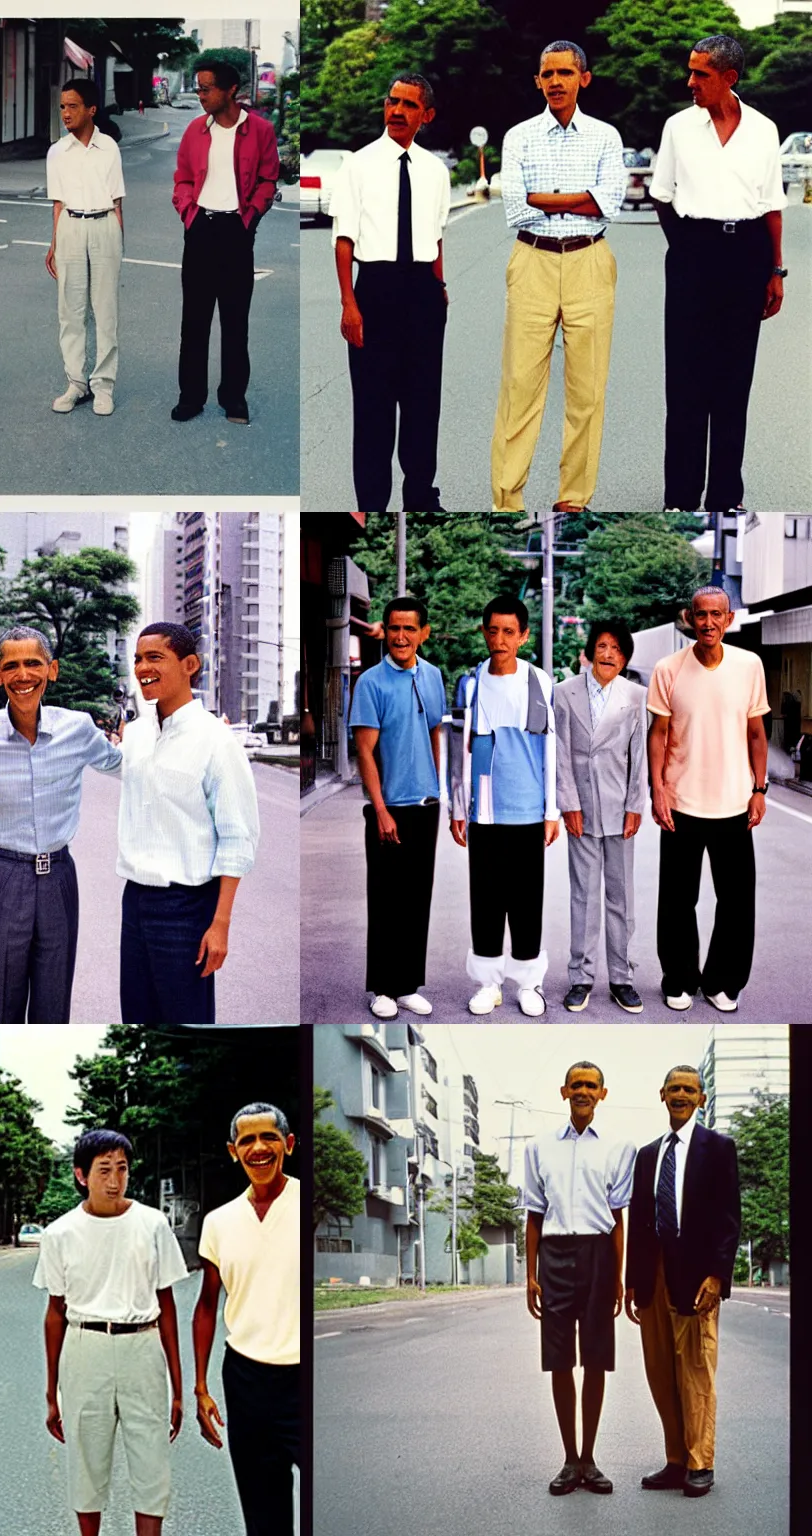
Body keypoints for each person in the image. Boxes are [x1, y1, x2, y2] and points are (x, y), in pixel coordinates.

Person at [0, 626, 121, 1022]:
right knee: (3, 1006)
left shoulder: (78, 729)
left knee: (53, 1009)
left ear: (52, 669)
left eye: (33, 663)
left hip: (60, 878)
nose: (23, 675)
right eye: (11, 666)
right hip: (4, 878)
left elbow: (124, 766)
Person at [652, 34, 787, 513]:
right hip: (693, 252)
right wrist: (688, 247)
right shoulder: (678, 128)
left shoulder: (764, 130)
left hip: (747, 255)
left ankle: (726, 497)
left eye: (701, 74)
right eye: (690, 71)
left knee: (734, 383)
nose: (690, 82)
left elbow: (772, 205)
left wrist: (775, 269)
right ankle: (681, 497)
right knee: (686, 383)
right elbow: (661, 195)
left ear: (729, 78)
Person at [491, 42, 625, 515]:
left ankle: (574, 498)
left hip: (590, 259)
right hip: (533, 259)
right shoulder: (519, 137)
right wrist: (578, 198)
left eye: (565, 72)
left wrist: (546, 198)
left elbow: (610, 202)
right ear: (537, 81)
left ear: (583, 78)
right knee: (520, 388)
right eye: (547, 73)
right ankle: (507, 500)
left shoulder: (606, 137)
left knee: (587, 391)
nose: (555, 82)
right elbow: (516, 205)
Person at [35, 1130, 186, 1536]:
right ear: (81, 1175)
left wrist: (178, 1385)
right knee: (86, 1461)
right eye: (104, 1170)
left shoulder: (152, 1224)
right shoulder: (59, 1234)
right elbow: (54, 1313)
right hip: (85, 1346)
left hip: (143, 1343)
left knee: (151, 1460)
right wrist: (53, 1393)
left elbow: (167, 1305)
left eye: (121, 1168)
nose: (114, 1180)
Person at [118, 622, 260, 1025]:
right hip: (135, 901)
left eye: (155, 658)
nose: (143, 667)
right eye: (138, 659)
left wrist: (220, 924)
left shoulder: (216, 741)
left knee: (187, 1023)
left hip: (186, 907)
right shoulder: (137, 735)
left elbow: (238, 838)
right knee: (139, 1021)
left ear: (189, 665)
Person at [331, 74, 451, 513]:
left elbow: (436, 236)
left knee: (423, 405)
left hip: (422, 292)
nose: (397, 111)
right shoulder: (358, 165)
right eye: (392, 101)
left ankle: (421, 496)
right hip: (374, 291)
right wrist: (349, 303)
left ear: (427, 115)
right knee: (374, 409)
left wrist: (440, 287)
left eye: (408, 104)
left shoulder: (436, 170)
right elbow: (344, 239)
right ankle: (373, 505)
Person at [646, 584, 769, 1011]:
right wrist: (657, 789)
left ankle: (722, 982)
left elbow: (756, 732)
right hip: (681, 803)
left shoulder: (749, 665)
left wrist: (759, 789)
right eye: (701, 615)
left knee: (736, 901)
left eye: (717, 615)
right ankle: (678, 979)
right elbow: (658, 734)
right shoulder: (668, 668)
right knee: (678, 901)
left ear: (729, 619)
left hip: (734, 802)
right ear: (689, 618)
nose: (709, 623)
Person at [624, 1065, 740, 1499]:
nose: (681, 1095)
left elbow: (729, 1219)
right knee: (661, 1371)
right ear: (661, 1094)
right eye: (674, 1088)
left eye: (689, 1089)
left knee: (695, 1368)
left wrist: (718, 1274)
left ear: (701, 1099)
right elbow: (639, 1219)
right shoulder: (648, 1154)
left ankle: (700, 1462)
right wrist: (634, 1280)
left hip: (696, 1273)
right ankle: (676, 1460)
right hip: (654, 1271)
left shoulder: (718, 1147)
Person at [523, 1061, 636, 1498]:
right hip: (554, 1255)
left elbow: (617, 1216)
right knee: (559, 1362)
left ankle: (590, 1458)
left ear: (603, 1094)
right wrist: (530, 1275)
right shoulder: (538, 1148)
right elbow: (534, 1214)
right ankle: (569, 1459)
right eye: (577, 1085)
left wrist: (617, 1276)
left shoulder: (617, 1147)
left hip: (597, 1254)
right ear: (564, 1091)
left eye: (591, 1085)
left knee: (595, 1359)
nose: (583, 1091)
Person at [192, 1105, 301, 1535]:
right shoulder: (219, 1222)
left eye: (269, 1138)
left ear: (288, 1145)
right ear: (233, 1152)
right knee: (264, 1518)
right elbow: (205, 1305)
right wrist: (200, 1389)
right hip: (247, 1381)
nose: (258, 1149)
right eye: (246, 1141)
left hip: (302, 1377)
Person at [450, 595, 560, 1016]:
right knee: (487, 901)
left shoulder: (539, 682)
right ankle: (488, 984)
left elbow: (549, 749)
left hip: (529, 810)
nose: (500, 639)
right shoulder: (472, 683)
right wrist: (458, 808)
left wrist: (551, 811)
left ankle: (529, 985)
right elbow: (461, 750)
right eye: (493, 630)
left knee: (527, 902)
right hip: (485, 813)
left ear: (524, 636)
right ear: (484, 632)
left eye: (509, 632)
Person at [347, 595, 448, 1018]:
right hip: (390, 808)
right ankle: (383, 988)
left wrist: (437, 789)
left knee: (416, 899)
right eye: (394, 628)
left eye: (409, 628)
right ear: (385, 631)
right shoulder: (371, 682)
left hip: (427, 805)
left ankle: (407, 984)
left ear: (423, 632)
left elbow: (434, 733)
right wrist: (382, 809)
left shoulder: (433, 676)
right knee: (386, 900)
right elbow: (365, 751)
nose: (401, 636)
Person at [171, 61, 280, 425]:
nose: (200, 95)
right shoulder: (194, 131)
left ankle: (233, 397)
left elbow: (268, 179)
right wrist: (189, 213)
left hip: (237, 231)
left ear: (231, 90)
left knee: (235, 322)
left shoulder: (260, 131)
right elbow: (183, 179)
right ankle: (191, 397)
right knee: (194, 322)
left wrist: (249, 218)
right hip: (201, 230)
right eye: (198, 88)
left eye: (206, 89)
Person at [552, 619, 647, 1013]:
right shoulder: (564, 692)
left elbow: (638, 756)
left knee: (620, 897)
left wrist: (635, 806)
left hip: (619, 806)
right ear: (589, 652)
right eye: (602, 646)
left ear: (625, 658)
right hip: (581, 808)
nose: (608, 654)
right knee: (583, 896)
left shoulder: (636, 695)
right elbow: (558, 752)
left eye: (617, 649)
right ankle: (582, 976)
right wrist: (568, 803)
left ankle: (621, 976)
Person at [45, 79, 126, 416]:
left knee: (104, 311)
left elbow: (118, 200)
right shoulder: (57, 151)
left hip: (105, 224)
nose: (65, 113)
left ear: (91, 109)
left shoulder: (109, 147)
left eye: (73, 106)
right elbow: (58, 203)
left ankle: (103, 385)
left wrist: (119, 240)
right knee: (71, 311)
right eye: (62, 106)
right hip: (70, 228)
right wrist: (54, 244)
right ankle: (76, 383)